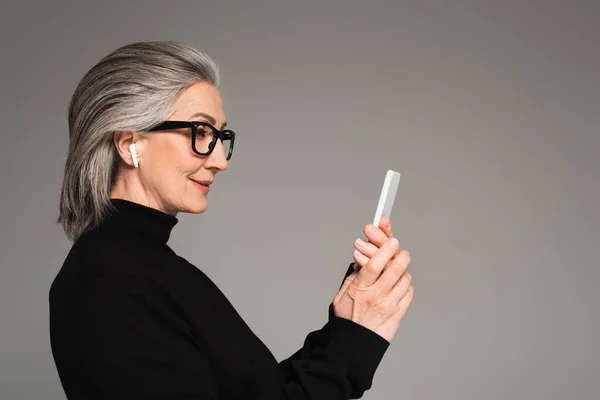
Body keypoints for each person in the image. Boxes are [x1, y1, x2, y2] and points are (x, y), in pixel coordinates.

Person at [49, 40, 414, 400]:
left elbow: (259, 392)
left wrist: (349, 327)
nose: (221, 160)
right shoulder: (115, 281)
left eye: (221, 136)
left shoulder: (146, 268)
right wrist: (353, 344)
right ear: (130, 143)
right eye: (201, 132)